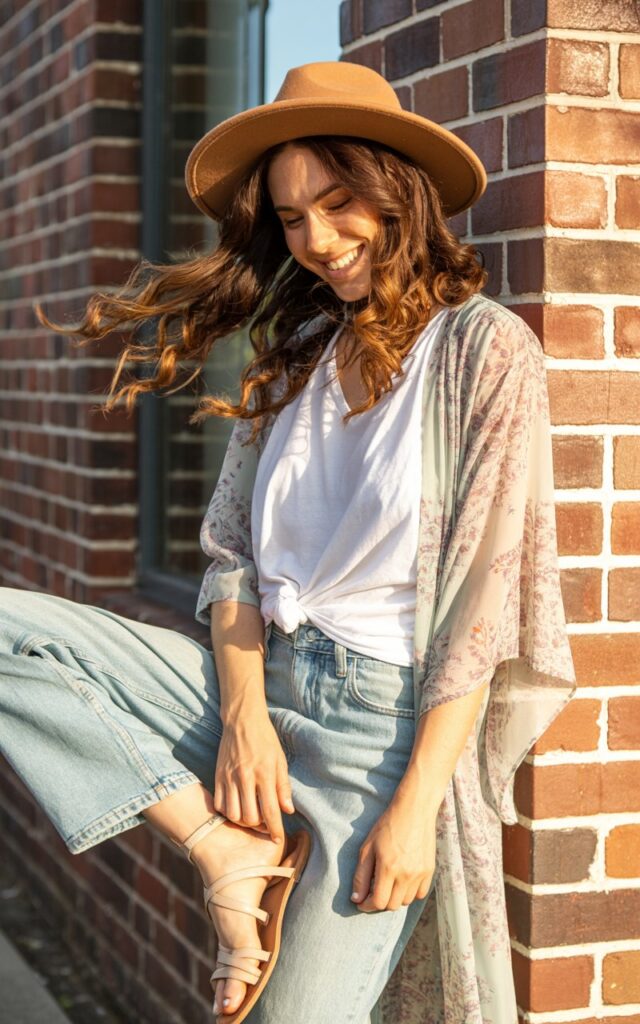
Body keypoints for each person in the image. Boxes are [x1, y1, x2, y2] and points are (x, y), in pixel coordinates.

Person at [0, 62, 577, 1024]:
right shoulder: (302, 353)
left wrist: (416, 807)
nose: (316, 240)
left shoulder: (484, 352)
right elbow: (231, 556)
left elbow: (485, 602)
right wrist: (243, 720)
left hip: (376, 736)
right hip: (258, 686)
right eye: (293, 216)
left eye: (338, 202)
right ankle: (226, 850)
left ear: (399, 191)